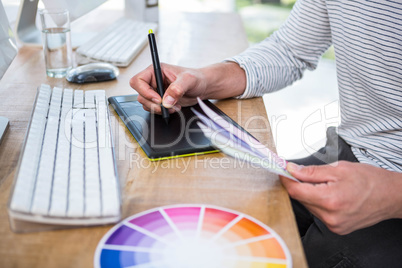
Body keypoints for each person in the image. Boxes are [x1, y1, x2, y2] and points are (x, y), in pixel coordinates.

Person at [130, 0, 402, 266]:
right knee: (209, 228)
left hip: (393, 188)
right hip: (350, 151)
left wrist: (392, 195)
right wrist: (203, 80)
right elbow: (290, 50)